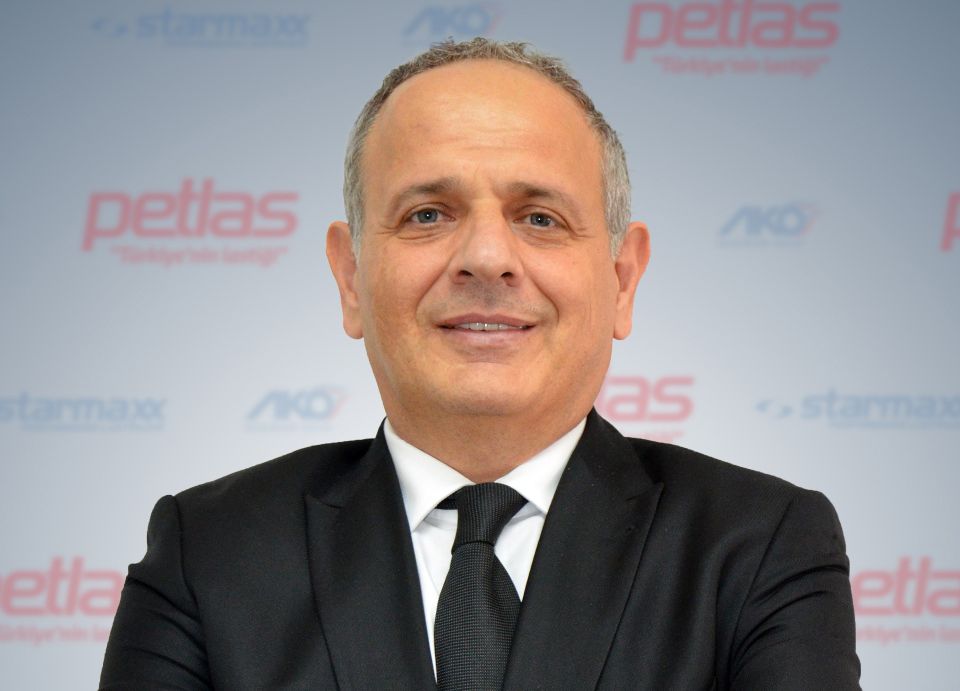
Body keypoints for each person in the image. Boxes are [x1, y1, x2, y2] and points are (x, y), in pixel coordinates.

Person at [100, 38, 860, 690]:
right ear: (351, 278)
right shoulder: (208, 552)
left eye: (540, 217)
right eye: (428, 214)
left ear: (622, 279)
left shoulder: (760, 546)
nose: (488, 257)